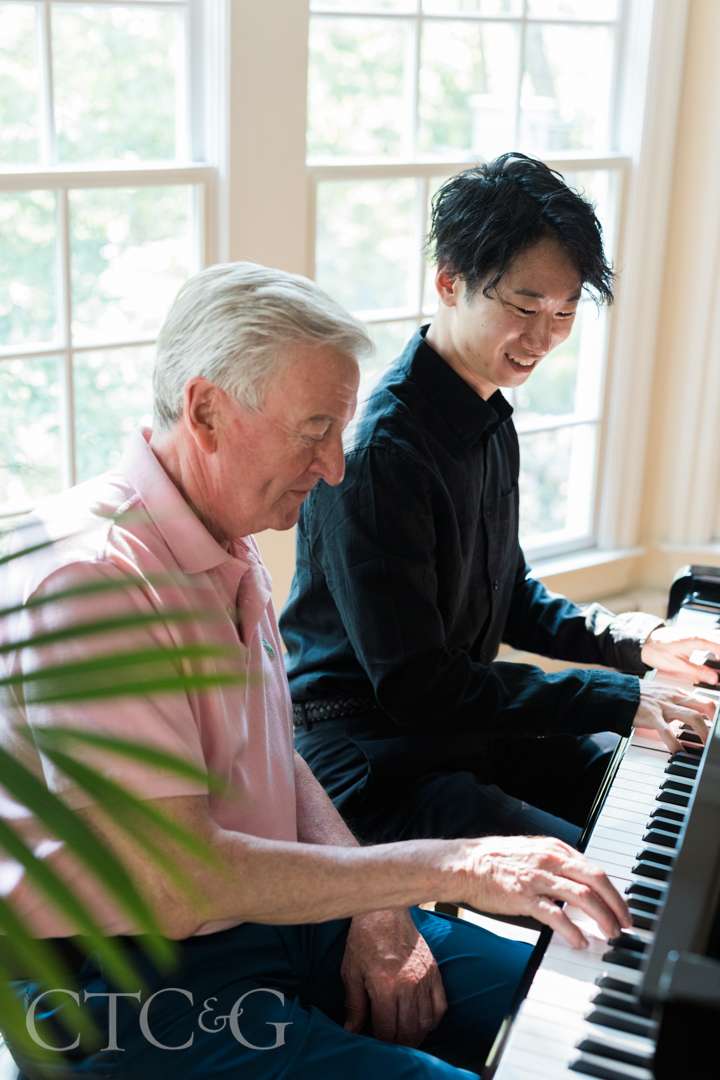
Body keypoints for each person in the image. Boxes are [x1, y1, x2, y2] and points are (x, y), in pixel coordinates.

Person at [0, 262, 645, 1079]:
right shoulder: (90, 580)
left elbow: (276, 755)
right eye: (314, 430)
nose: (337, 466)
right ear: (206, 411)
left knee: (604, 998)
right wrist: (459, 865)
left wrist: (377, 906)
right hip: (129, 985)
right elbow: (181, 881)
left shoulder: (224, 537)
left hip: (267, 909)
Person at [280, 152, 717, 849]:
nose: (545, 337)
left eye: (566, 311)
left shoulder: (485, 415)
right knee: (596, 870)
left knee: (674, 806)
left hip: (457, 726)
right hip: (372, 757)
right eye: (525, 307)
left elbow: (507, 596)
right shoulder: (380, 455)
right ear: (449, 283)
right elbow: (418, 687)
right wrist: (618, 696)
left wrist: (642, 643)